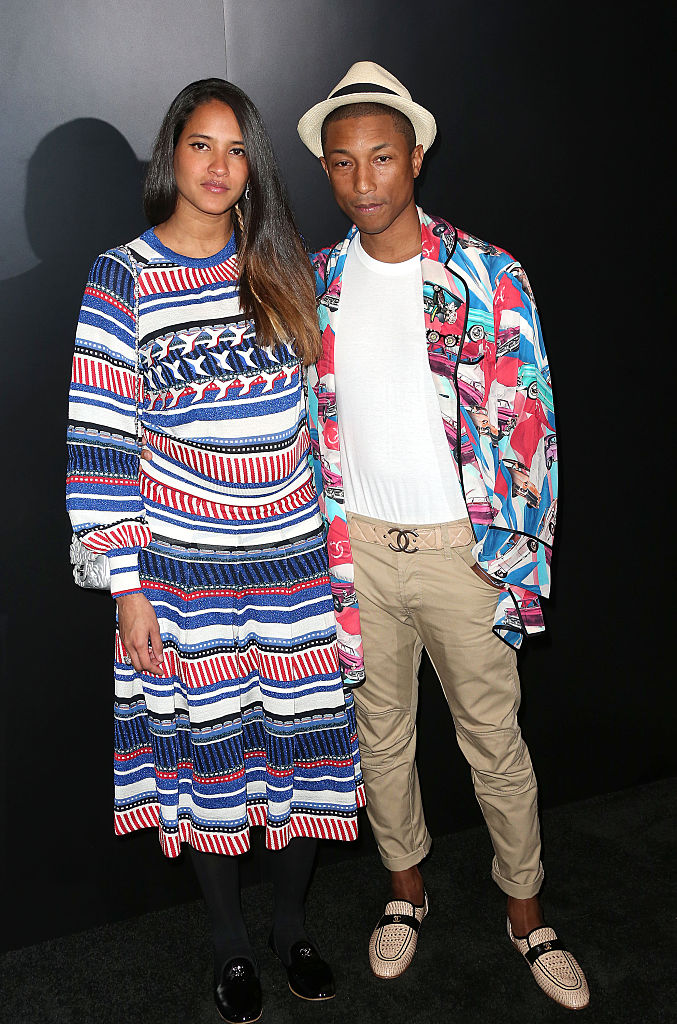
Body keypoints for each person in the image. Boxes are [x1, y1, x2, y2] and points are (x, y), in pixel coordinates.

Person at [66, 78, 364, 1024]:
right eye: (201, 145)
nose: (218, 166)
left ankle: (289, 927)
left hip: (294, 569)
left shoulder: (280, 267)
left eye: (236, 151)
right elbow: (100, 439)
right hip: (184, 579)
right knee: (212, 767)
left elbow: (326, 421)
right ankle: (231, 944)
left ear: (252, 171)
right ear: (172, 156)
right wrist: (127, 587)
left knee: (302, 755)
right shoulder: (121, 278)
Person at [297, 62, 590, 1010]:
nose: (363, 179)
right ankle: (404, 894)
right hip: (360, 555)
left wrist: (512, 553)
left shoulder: (485, 274)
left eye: (381, 157)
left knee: (492, 744)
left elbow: (531, 423)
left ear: (415, 158)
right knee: (378, 737)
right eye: (343, 164)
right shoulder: (318, 284)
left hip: (461, 553)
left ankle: (526, 914)